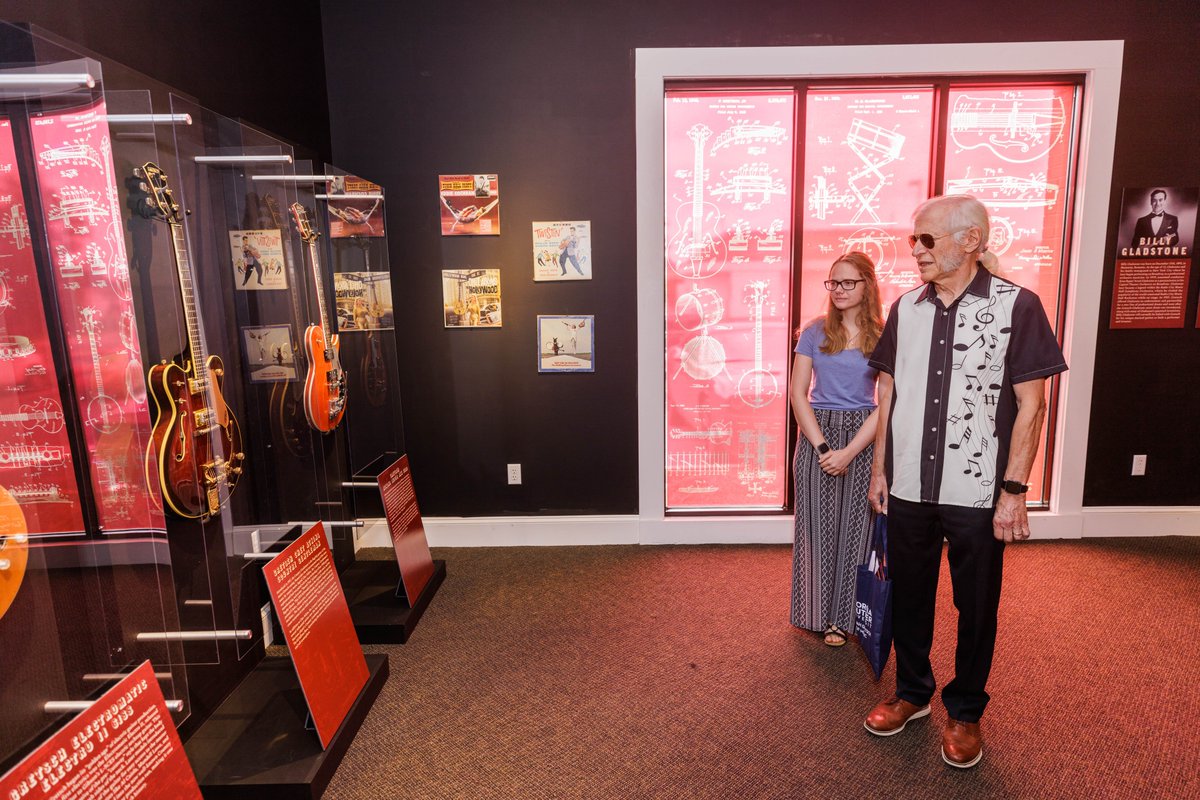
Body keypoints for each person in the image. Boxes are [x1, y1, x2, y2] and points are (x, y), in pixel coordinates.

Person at [862, 194, 1066, 769]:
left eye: (927, 240)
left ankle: (967, 710)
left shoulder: (1016, 307)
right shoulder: (907, 308)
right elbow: (889, 395)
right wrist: (880, 469)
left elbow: (1033, 407)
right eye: (913, 240)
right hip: (907, 484)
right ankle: (912, 693)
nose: (916, 250)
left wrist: (1014, 492)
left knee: (977, 603)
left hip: (977, 489)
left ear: (971, 240)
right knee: (909, 592)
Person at [789, 251, 883, 648]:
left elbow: (888, 402)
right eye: (833, 282)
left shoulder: (883, 335)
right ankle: (815, 613)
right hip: (817, 434)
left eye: (848, 282)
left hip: (864, 434)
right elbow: (798, 393)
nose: (839, 290)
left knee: (856, 532)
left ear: (867, 286)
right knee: (817, 529)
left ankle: (845, 617)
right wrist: (825, 447)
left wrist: (850, 452)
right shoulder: (814, 332)